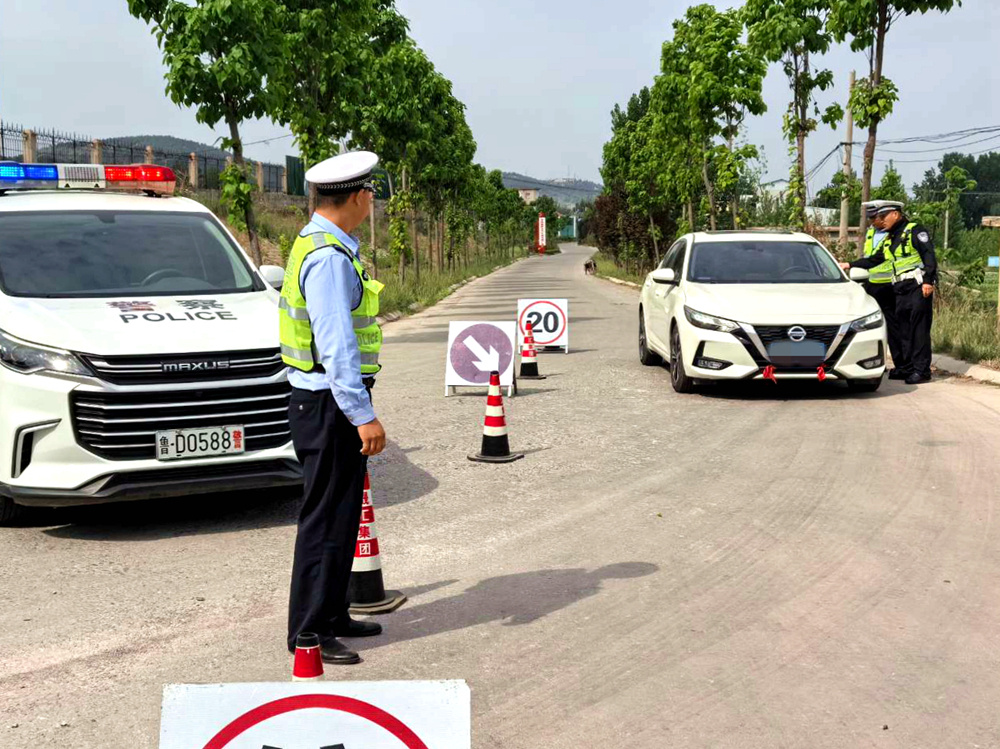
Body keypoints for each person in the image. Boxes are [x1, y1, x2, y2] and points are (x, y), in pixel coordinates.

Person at [279, 150, 387, 665]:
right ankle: (308, 633)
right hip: (327, 403)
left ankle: (332, 613)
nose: (372, 202)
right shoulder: (326, 258)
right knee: (323, 519)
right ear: (360, 197)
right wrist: (361, 413)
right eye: (371, 195)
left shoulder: (321, 243)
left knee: (343, 512)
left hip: (327, 402)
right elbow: (336, 346)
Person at [840, 201, 937, 385]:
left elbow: (929, 255)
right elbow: (876, 259)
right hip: (900, 289)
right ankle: (907, 367)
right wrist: (851, 264)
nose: (880, 221)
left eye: (883, 217)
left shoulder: (915, 230)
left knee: (919, 330)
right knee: (904, 331)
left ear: (895, 214)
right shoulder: (891, 237)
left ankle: (922, 370)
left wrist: (928, 281)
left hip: (917, 286)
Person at [857, 200, 905, 379]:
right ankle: (873, 362)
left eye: (875, 217)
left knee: (893, 327)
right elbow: (868, 258)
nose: (873, 221)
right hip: (871, 284)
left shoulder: (893, 234)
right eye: (870, 218)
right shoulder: (870, 233)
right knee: (870, 326)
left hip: (889, 285)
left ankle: (900, 364)